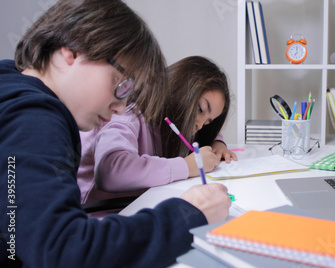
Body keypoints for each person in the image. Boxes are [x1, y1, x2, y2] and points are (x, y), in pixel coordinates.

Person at [0, 1, 230, 267]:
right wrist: (187, 216)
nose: (121, 106)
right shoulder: (33, 119)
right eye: (122, 85)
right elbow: (66, 251)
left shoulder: (13, 89)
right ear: (73, 50)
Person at [78, 56, 237, 215]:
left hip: (141, 209)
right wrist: (186, 166)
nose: (200, 125)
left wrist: (217, 143)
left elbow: (210, 132)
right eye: (200, 109)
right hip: (104, 218)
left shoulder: (177, 124)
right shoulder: (129, 114)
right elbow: (111, 171)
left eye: (208, 122)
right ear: (180, 88)